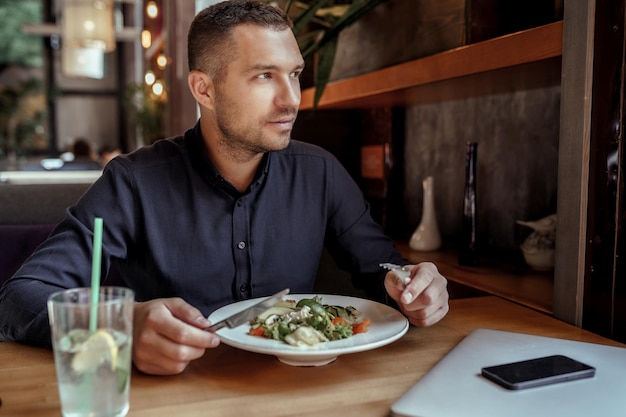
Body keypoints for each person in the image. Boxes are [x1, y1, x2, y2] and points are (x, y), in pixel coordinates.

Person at [0, 0, 449, 376]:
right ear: (204, 89)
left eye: (294, 73)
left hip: (301, 392)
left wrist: (413, 285)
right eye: (264, 76)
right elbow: (19, 297)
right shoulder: (133, 182)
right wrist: (119, 327)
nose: (292, 98)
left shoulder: (321, 172)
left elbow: (382, 268)